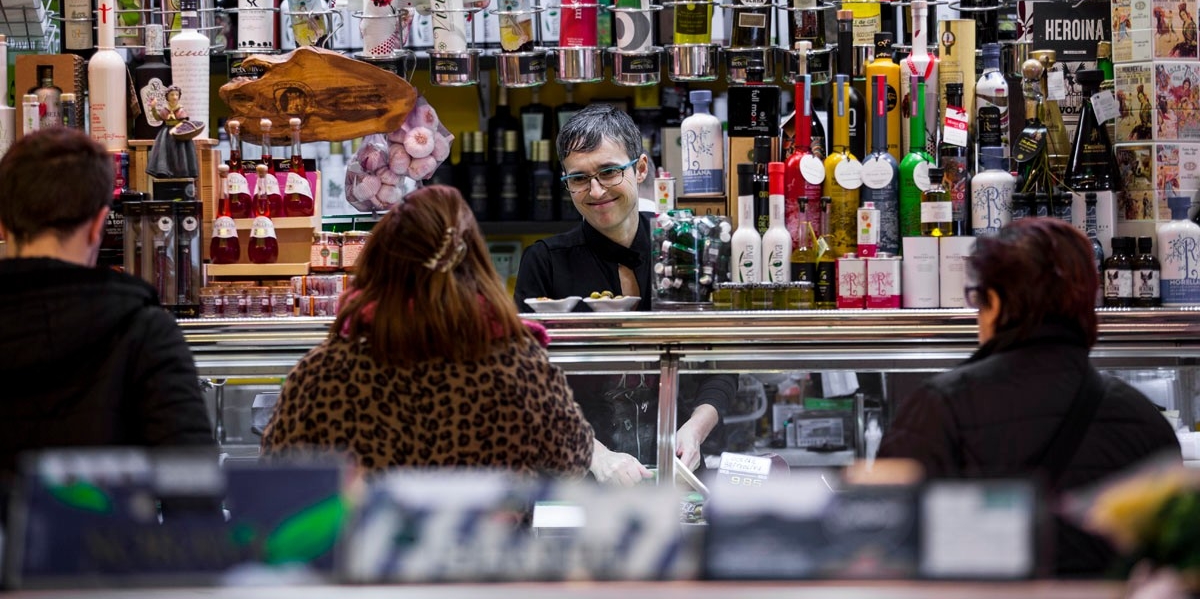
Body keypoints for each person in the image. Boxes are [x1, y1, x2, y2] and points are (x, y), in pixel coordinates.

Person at [878, 218, 1181, 576]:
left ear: (995, 301)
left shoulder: (939, 408)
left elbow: (884, 546)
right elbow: (1173, 564)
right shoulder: (1144, 421)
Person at [261, 184, 594, 476]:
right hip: (480, 548)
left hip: (367, 548)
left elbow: (277, 471)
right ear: (474, 262)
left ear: (378, 263)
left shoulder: (324, 371)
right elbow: (572, 459)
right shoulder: (520, 367)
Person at [514, 104, 736, 486]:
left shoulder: (689, 247)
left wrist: (695, 430)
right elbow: (526, 382)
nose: (595, 191)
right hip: (581, 476)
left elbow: (722, 362)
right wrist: (594, 454)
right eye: (579, 179)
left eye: (609, 172)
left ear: (641, 169)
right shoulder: (545, 262)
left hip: (685, 469)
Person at [0, 129, 214, 491]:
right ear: (99, 224)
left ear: (3, 225)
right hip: (107, 545)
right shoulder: (146, 331)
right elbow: (194, 491)